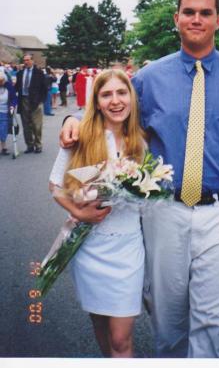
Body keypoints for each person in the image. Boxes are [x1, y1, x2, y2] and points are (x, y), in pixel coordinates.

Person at [60, 0, 219, 358]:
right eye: (189, 12)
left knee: (214, 316)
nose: (196, 19)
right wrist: (72, 118)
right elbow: (111, 112)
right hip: (165, 210)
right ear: (176, 19)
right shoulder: (149, 79)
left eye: (205, 13)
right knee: (168, 315)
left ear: (218, 20)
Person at [50, 69, 146, 357]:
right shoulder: (83, 136)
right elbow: (55, 185)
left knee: (120, 338)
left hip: (128, 248)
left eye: (121, 92)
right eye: (106, 94)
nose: (115, 101)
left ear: (131, 97)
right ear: (97, 100)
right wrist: (80, 214)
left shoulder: (141, 140)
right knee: (101, 324)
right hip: (89, 246)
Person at [15, 54, 47, 153]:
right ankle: (29, 145)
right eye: (24, 60)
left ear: (32, 61)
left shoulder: (39, 73)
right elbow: (17, 87)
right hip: (23, 100)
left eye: (28, 60)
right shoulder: (20, 73)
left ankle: (38, 145)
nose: (26, 62)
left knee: (37, 125)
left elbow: (44, 88)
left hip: (36, 101)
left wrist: (41, 100)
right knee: (26, 125)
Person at [0, 72, 17, 155]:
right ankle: (3, 147)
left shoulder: (9, 86)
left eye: (1, 81)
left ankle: (3, 146)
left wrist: (12, 106)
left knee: (3, 130)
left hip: (5, 112)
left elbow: (14, 98)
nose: (0, 83)